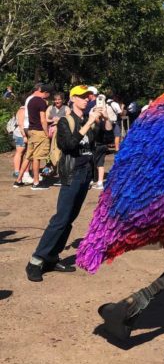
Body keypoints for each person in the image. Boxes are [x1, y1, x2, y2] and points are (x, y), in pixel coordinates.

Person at [25, 85, 109, 282]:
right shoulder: (65, 121)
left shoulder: (88, 119)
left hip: (85, 174)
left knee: (70, 218)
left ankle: (52, 257)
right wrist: (88, 123)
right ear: (72, 99)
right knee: (60, 219)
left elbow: (103, 140)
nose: (86, 100)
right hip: (72, 173)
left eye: (88, 97)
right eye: (81, 97)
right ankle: (36, 260)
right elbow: (69, 145)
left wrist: (104, 120)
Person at [14, 82, 52, 190]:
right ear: (45, 92)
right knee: (37, 157)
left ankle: (18, 180)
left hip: (30, 130)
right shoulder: (41, 102)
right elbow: (43, 120)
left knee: (28, 156)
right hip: (39, 131)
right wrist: (46, 132)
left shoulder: (30, 100)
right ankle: (36, 183)